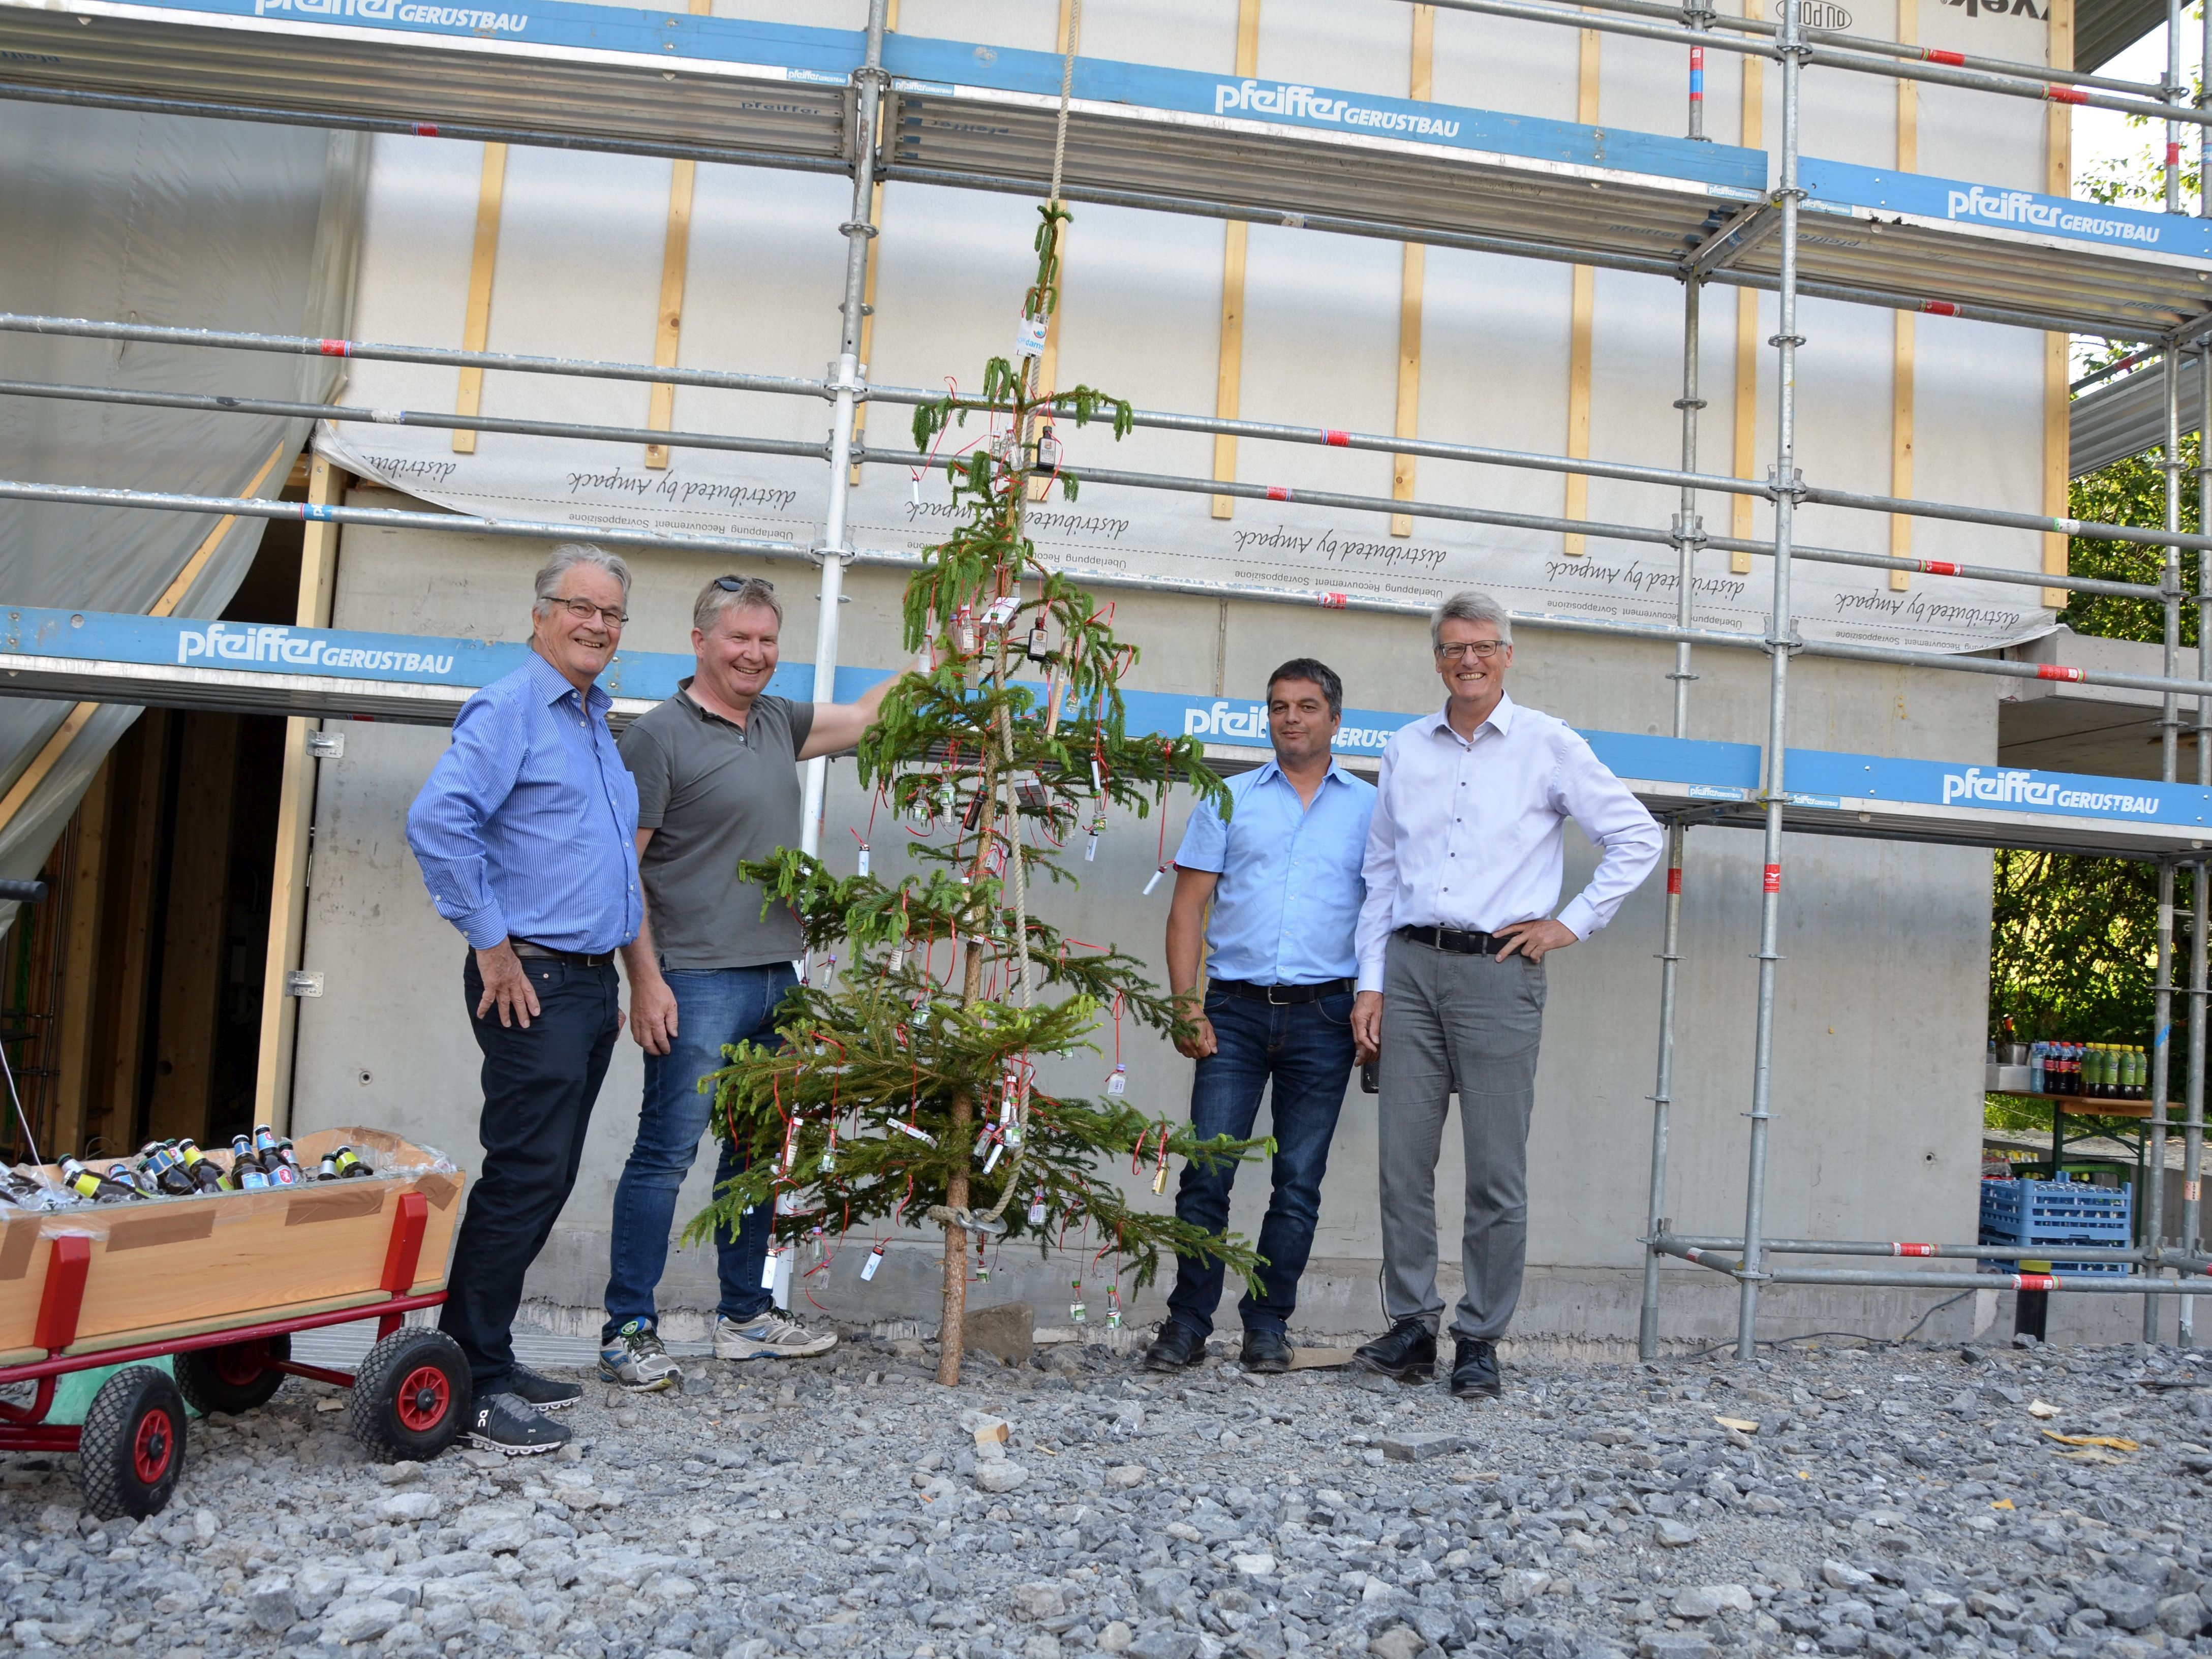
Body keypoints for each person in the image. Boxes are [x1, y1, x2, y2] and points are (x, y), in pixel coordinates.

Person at [1349, 590, 1662, 1400]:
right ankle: (1413, 1325)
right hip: (1412, 970)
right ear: (1438, 658)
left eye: (1484, 647)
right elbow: (1381, 872)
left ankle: (1480, 1338)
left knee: (1495, 1170)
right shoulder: (1405, 750)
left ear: (1508, 655)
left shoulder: (1548, 745)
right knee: (1401, 1165)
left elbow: (1637, 835)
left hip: (1497, 973)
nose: (1469, 660)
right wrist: (1371, 984)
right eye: (1454, 648)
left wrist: (1572, 923)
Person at [597, 574, 894, 1391]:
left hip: (776, 978)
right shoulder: (657, 737)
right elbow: (624, 869)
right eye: (739, 639)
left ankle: (744, 1317)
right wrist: (646, 981)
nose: (755, 655)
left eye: (767, 641)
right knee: (665, 1154)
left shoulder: (775, 722)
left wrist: (946, 654)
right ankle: (628, 1328)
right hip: (694, 982)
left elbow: (869, 717)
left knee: (758, 1155)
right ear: (700, 642)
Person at [406, 543, 642, 1455]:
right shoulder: (512, 708)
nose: (596, 625)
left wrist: (608, 977)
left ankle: (488, 1356)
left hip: (581, 984)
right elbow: (439, 821)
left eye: (612, 614)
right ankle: (466, 1379)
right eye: (579, 607)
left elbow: (602, 857)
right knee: (523, 1175)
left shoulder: (592, 718)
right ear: (541, 613)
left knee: (548, 1175)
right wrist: (492, 948)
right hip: (529, 980)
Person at [1141, 659, 1376, 1376]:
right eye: (1279, 707)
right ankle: (1186, 1324)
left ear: (1336, 719)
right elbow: (1187, 910)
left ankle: (1268, 1325)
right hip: (1233, 1014)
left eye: (1307, 706)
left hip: (1327, 1016)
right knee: (1207, 1173)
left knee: (1298, 1180)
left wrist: (1374, 1001)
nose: (1291, 718)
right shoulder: (1228, 798)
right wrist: (1186, 1004)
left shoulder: (1372, 809)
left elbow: (1387, 916)